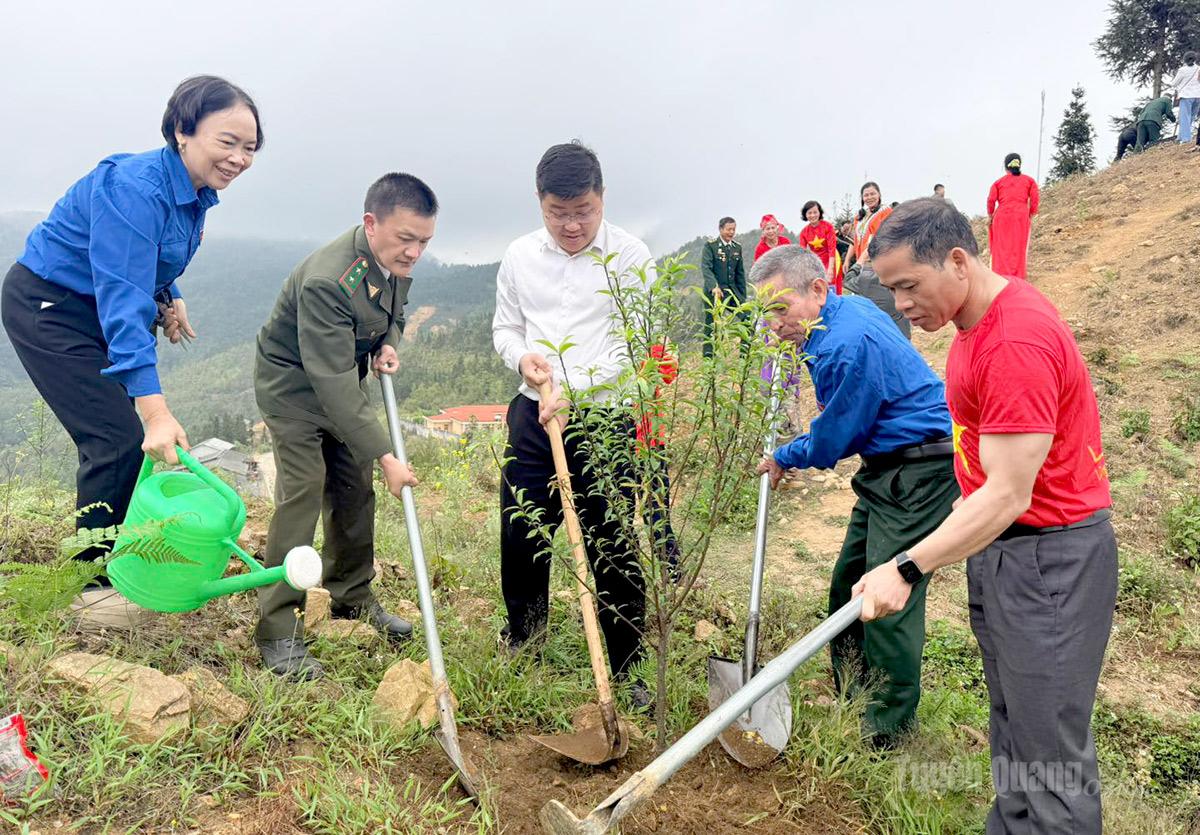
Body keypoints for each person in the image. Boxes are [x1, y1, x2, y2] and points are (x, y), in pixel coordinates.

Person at [864, 198, 1116, 833]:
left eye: (908, 285)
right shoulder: (977, 323)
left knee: (1052, 758)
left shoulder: (1014, 339)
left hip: (1049, 562)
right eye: (892, 289)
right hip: (1010, 554)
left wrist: (908, 565)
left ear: (957, 261)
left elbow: (1008, 495)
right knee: (1015, 726)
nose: (901, 303)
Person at [1, 75, 263, 629]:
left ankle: (117, 564)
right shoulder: (136, 187)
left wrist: (171, 296)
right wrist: (156, 410)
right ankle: (86, 589)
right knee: (116, 438)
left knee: (122, 442)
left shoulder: (193, 193)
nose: (239, 158)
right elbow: (121, 297)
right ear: (181, 131)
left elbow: (148, 264)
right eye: (228, 142)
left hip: (91, 306)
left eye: (250, 147)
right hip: (51, 307)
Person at [751, 245, 958, 748]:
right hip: (886, 468)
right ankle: (854, 690)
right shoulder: (838, 313)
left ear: (818, 289)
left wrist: (783, 454)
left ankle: (885, 733)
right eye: (766, 313)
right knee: (849, 581)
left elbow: (833, 440)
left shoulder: (846, 343)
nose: (774, 323)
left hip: (919, 470)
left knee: (887, 599)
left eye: (782, 309)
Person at [252, 174, 437, 679]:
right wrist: (387, 456)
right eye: (406, 239)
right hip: (294, 391)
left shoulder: (391, 260)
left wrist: (388, 341)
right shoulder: (328, 279)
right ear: (371, 223)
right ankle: (277, 629)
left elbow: (388, 314)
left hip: (338, 383)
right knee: (303, 493)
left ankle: (351, 596)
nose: (415, 252)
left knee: (355, 490)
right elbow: (330, 380)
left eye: (424, 241)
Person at [492, 141, 650, 706]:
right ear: (540, 203)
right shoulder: (519, 256)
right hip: (532, 414)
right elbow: (506, 329)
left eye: (583, 210)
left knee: (610, 538)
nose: (571, 224)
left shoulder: (631, 257)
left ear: (601, 198)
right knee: (523, 529)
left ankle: (629, 665)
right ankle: (525, 636)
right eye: (558, 213)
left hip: (604, 419)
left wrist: (572, 389)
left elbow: (635, 347)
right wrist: (523, 361)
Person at [844, 182, 908, 338]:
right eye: (866, 195)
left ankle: (897, 337)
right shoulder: (860, 217)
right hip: (863, 266)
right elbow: (856, 240)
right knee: (867, 306)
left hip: (877, 264)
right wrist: (848, 260)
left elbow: (876, 240)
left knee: (884, 305)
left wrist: (861, 259)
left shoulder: (885, 213)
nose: (869, 197)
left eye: (872, 193)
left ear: (879, 194)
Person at [986, 153, 1039, 280]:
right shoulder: (1029, 181)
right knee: (1019, 246)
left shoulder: (998, 183)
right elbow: (1035, 199)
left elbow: (991, 200)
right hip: (1021, 216)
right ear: (1019, 165)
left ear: (1005, 167)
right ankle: (1018, 276)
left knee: (1001, 246)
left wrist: (990, 215)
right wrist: (1031, 213)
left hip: (1002, 216)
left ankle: (1000, 276)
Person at [700, 217, 747, 358]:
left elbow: (740, 273)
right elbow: (706, 268)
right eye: (728, 229)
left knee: (748, 318)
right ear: (721, 229)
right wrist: (714, 287)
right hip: (714, 292)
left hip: (732, 292)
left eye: (733, 229)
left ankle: (745, 356)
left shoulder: (737, 247)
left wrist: (742, 296)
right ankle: (709, 357)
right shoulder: (711, 246)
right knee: (712, 324)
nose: (731, 232)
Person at [796, 201, 838, 290]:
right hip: (815, 263)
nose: (812, 215)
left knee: (831, 289)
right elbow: (802, 254)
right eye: (809, 213)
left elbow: (832, 249)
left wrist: (830, 269)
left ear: (820, 212)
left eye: (815, 212)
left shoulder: (828, 227)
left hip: (831, 261)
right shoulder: (804, 232)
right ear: (805, 215)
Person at [1170, 52, 1200, 143]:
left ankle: (1186, 139)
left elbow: (1174, 83)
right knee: (1191, 117)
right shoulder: (1199, 69)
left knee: (1184, 118)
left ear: (1185, 60)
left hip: (1186, 96)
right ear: (1195, 59)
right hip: (1198, 96)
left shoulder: (1182, 70)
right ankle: (1180, 136)